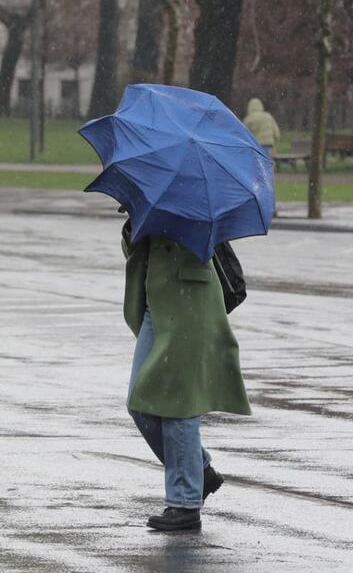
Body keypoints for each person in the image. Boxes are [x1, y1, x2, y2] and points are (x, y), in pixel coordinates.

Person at [122, 220, 250, 532]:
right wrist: (135, 223)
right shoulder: (154, 192)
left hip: (188, 297)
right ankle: (200, 470)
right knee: (140, 403)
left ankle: (184, 502)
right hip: (156, 299)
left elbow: (206, 238)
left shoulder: (199, 194)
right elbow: (136, 251)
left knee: (178, 404)